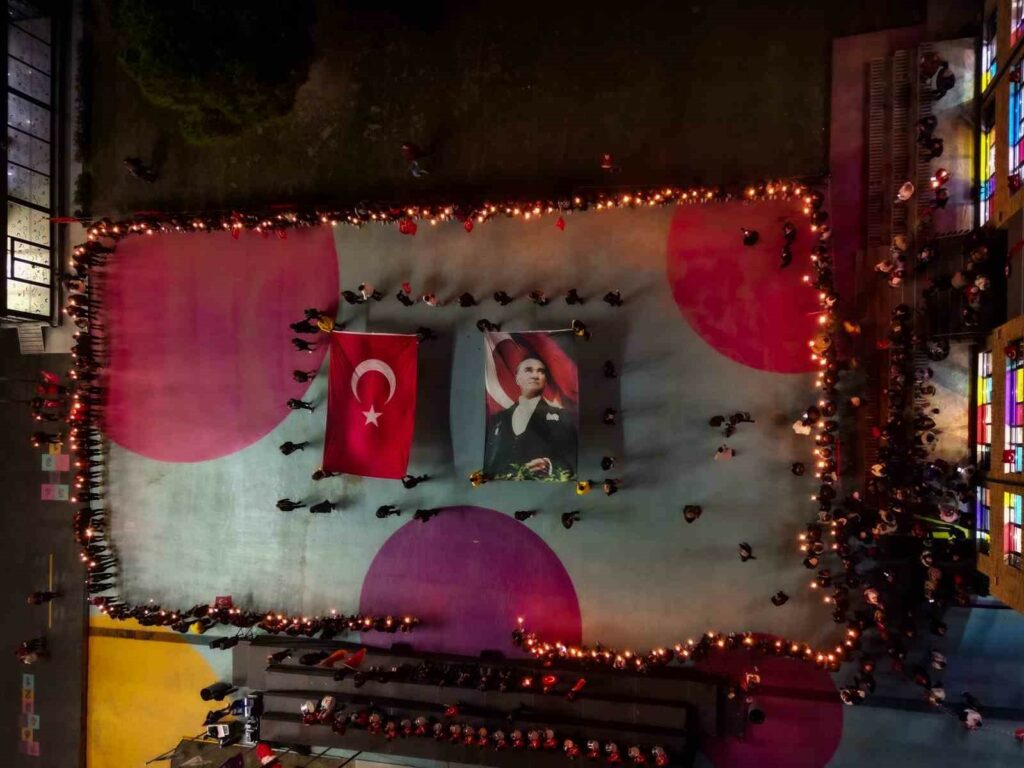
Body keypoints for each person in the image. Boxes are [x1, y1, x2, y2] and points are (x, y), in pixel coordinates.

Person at [484, 356, 578, 480]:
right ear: (517, 378)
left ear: (545, 380)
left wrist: (550, 467)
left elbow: (573, 459)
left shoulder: (561, 417)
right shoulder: (498, 419)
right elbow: (490, 461)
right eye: (528, 370)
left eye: (541, 371)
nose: (535, 375)